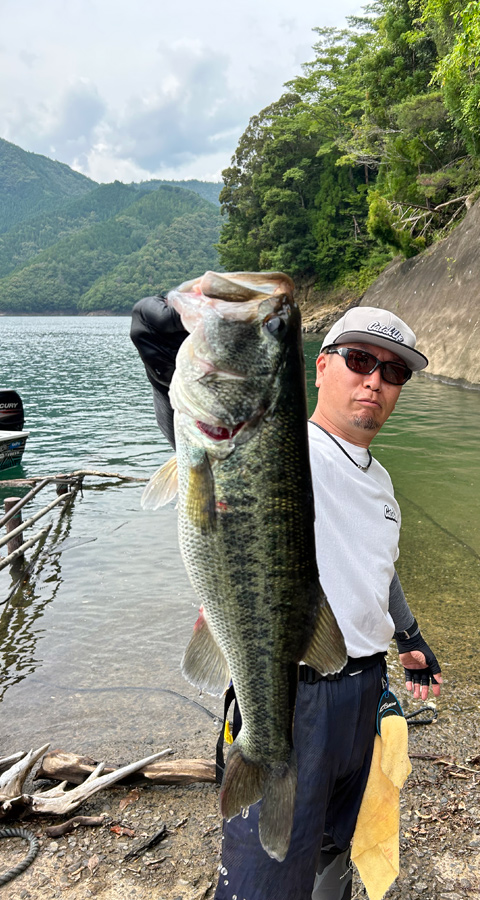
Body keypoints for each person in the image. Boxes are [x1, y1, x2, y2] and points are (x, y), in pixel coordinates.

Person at [131, 295, 443, 900]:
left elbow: (380, 567)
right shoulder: (277, 446)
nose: (375, 381)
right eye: (359, 360)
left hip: (363, 693)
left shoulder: (379, 479)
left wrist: (409, 638)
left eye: (394, 371)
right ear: (321, 366)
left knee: (337, 846)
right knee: (264, 878)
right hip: (288, 695)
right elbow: (199, 425)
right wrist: (166, 341)